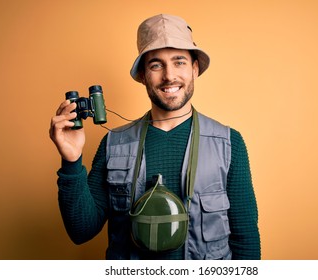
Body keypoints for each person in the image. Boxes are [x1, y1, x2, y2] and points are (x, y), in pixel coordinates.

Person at [49, 14, 260, 260]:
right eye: (156, 65)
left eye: (179, 62)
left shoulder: (229, 143)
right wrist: (72, 161)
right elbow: (81, 231)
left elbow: (246, 241)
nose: (169, 76)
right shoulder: (112, 145)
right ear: (142, 76)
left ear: (194, 69)